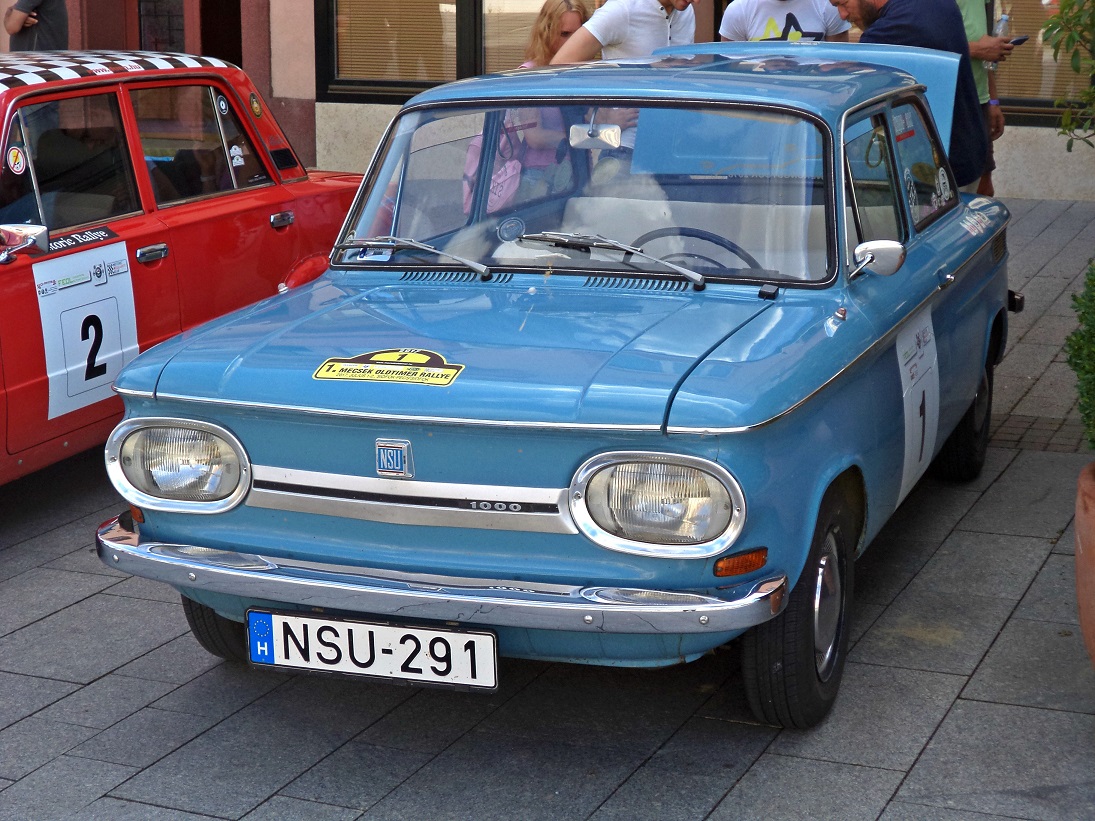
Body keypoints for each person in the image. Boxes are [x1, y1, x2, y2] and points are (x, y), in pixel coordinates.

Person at [828, 0, 987, 190]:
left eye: (843, 3)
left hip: (940, 176)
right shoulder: (935, 4)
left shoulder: (891, 29)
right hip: (967, 152)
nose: (842, 15)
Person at [517, 0, 593, 199]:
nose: (571, 43)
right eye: (564, 34)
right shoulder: (529, 74)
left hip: (580, 173)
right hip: (540, 177)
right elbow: (534, 136)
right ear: (546, 33)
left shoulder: (587, 74)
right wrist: (575, 139)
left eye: (577, 35)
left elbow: (597, 122)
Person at [958, 0, 1013, 196]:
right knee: (959, 191)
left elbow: (984, 51)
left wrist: (993, 100)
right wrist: (976, 50)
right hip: (954, 101)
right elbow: (922, 44)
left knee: (985, 188)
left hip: (980, 99)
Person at [550, 0, 700, 64]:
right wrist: (596, 110)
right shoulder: (621, 10)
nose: (697, 1)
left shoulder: (687, 12)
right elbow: (558, 67)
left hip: (676, 123)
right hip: (628, 128)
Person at [721, 0, 850, 43]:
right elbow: (729, 67)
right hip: (759, 95)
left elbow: (840, 62)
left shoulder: (829, 5)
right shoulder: (738, 9)